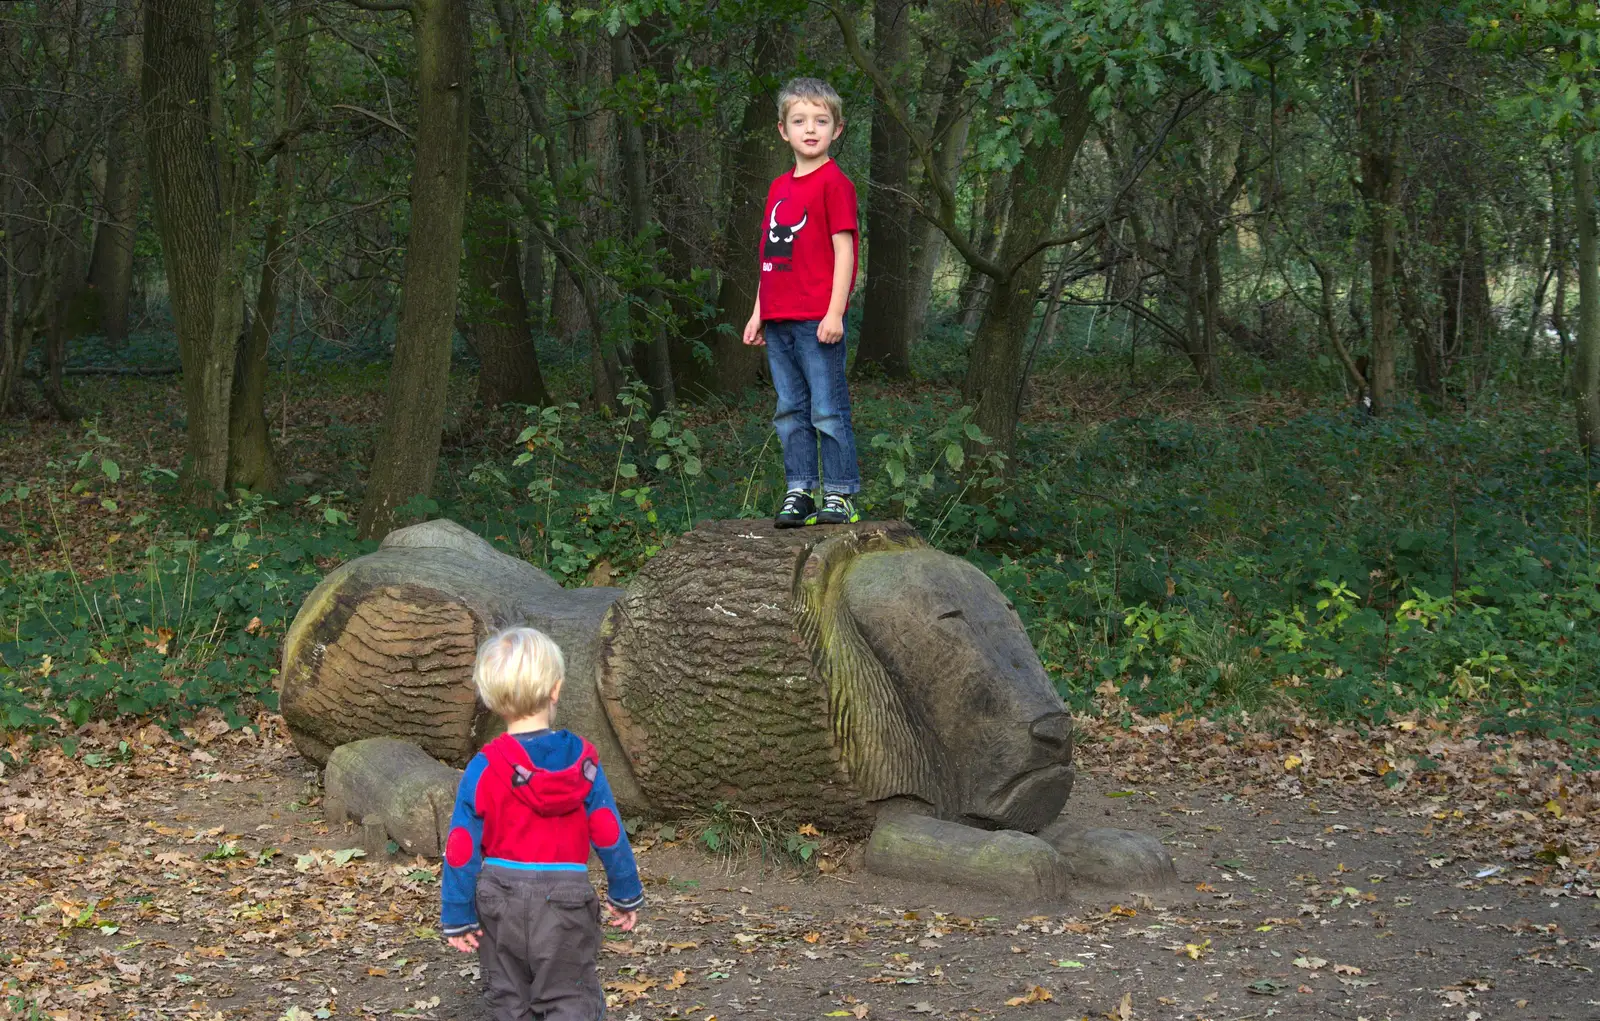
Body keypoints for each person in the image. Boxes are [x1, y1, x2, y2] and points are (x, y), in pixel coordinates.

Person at [440, 627, 644, 1021]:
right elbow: (607, 829)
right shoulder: (581, 762)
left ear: (492, 698)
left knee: (509, 998)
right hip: (565, 898)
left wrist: (456, 913)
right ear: (556, 689)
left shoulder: (484, 767)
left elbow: (461, 845)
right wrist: (625, 891)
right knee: (569, 997)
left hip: (500, 898)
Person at [742, 76, 863, 529]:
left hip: (817, 318)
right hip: (778, 319)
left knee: (827, 408)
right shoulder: (778, 188)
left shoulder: (835, 184)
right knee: (789, 410)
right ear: (782, 130)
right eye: (799, 121)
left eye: (820, 120)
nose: (810, 129)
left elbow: (845, 252)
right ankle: (800, 491)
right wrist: (758, 312)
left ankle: (840, 493)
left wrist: (835, 313)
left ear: (837, 128)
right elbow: (771, 255)